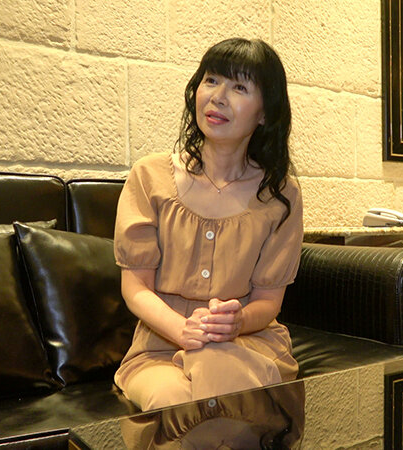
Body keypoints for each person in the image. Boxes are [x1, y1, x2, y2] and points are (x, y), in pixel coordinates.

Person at [113, 37, 303, 411]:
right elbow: (135, 288)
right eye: (211, 80)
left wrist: (237, 322)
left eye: (239, 87)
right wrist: (182, 329)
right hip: (160, 346)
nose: (218, 97)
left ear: (265, 113)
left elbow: (268, 303)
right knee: (171, 399)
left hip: (246, 344)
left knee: (219, 375)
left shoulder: (281, 195)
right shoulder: (149, 176)